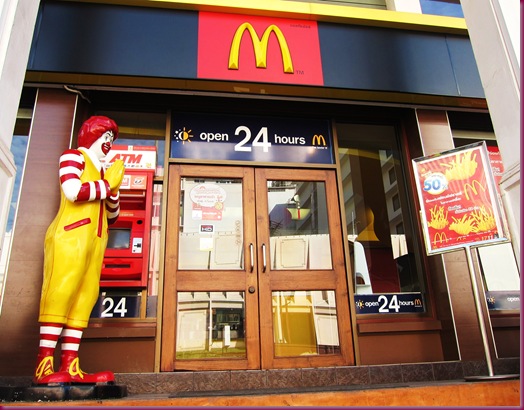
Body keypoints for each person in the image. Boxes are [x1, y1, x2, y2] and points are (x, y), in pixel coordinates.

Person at [33, 116, 125, 385]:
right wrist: (108, 185)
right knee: (61, 292)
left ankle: (70, 365)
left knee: (85, 297)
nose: (109, 142)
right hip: (70, 236)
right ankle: (44, 365)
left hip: (95, 242)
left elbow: (113, 215)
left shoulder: (104, 171)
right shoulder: (74, 157)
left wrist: (113, 187)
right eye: (106, 136)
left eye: (112, 138)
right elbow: (73, 191)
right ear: (92, 135)